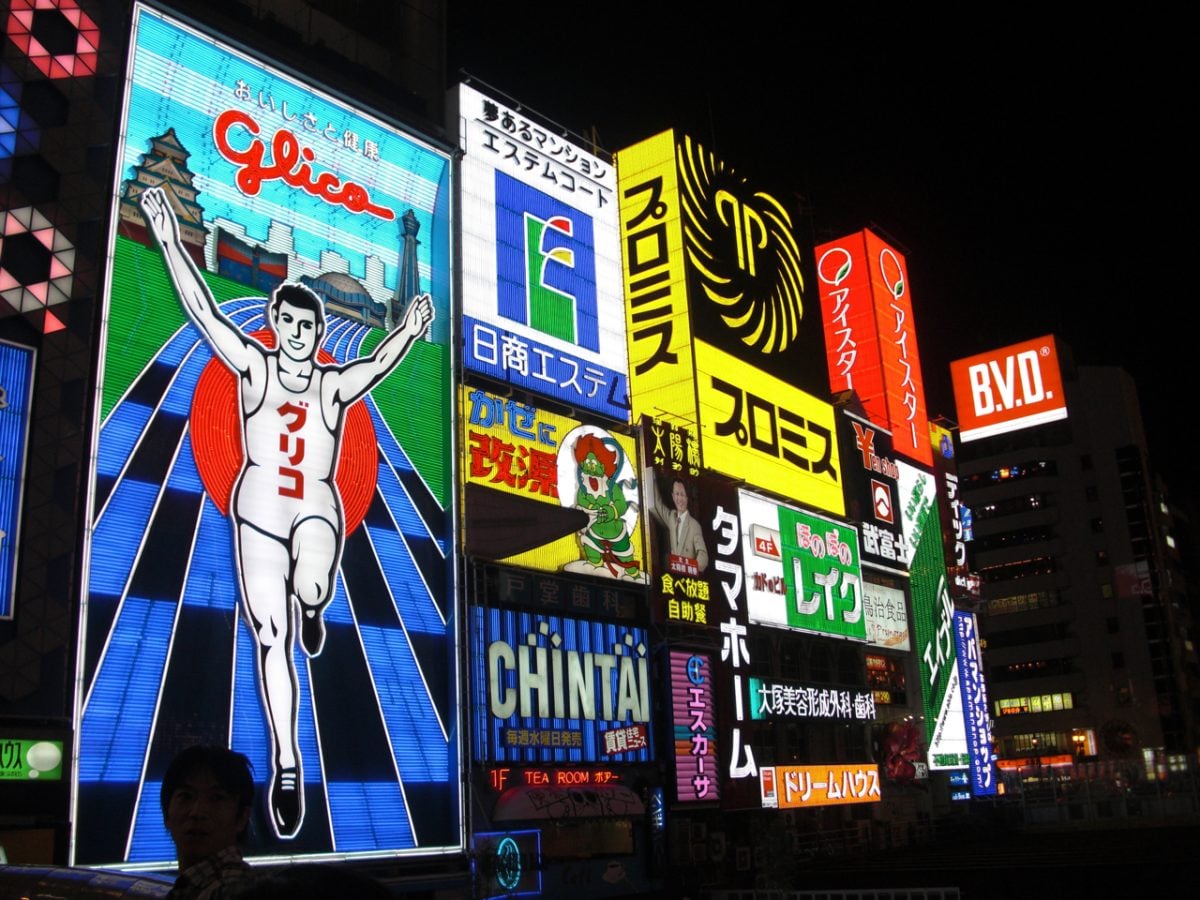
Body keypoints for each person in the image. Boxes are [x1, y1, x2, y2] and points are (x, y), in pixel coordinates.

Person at [141, 187, 433, 839]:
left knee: (313, 582)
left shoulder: (332, 386)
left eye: (308, 327)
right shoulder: (253, 369)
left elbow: (377, 364)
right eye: (289, 324)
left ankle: (312, 601)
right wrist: (165, 236)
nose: (298, 335)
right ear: (276, 324)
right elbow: (205, 312)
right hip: (259, 511)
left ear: (317, 332)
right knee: (271, 641)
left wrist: (410, 330)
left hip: (316, 512)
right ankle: (289, 761)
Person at [161, 745, 255, 900]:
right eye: (186, 796)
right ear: (166, 814)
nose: (197, 812)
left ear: (242, 817)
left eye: (216, 798)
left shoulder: (232, 892)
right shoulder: (189, 888)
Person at [644, 469, 708, 573]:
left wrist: (692, 568)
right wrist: (649, 472)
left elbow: (703, 555)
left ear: (687, 497)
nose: (680, 499)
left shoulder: (694, 525)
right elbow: (655, 504)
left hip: (688, 579)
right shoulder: (671, 517)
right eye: (677, 494)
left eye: (682, 494)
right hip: (672, 576)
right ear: (673, 496)